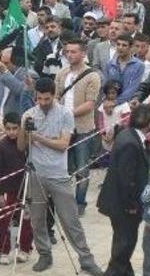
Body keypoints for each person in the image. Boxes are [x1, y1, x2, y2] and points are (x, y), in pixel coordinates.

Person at [19, 77, 103, 275]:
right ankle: (44, 254)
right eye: (39, 99)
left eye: (47, 99)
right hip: (35, 174)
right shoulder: (28, 114)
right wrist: (24, 129)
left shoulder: (65, 113)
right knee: (37, 220)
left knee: (70, 220)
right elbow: (21, 146)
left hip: (58, 174)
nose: (43, 103)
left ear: (54, 95)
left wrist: (37, 137)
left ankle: (86, 259)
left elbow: (63, 145)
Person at [97, 104, 150, 276]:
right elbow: (126, 179)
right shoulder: (131, 143)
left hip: (120, 202)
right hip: (124, 205)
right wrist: (131, 204)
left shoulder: (126, 135)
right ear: (149, 124)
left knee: (123, 244)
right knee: (124, 246)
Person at [55, 39, 102, 215]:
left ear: (83, 53)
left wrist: (67, 114)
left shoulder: (92, 76)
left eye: (74, 51)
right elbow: (56, 96)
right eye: (67, 51)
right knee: (64, 169)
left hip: (82, 128)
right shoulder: (62, 73)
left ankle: (80, 203)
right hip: (63, 129)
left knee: (82, 169)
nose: (70, 54)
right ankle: (65, 204)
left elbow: (90, 104)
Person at [0, 112, 33, 265]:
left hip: (25, 188)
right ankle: (3, 250)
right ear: (4, 128)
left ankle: (25, 249)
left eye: (15, 128)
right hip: (8, 190)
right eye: (8, 128)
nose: (12, 132)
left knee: (26, 219)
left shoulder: (27, 145)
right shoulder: (0, 147)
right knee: (4, 221)